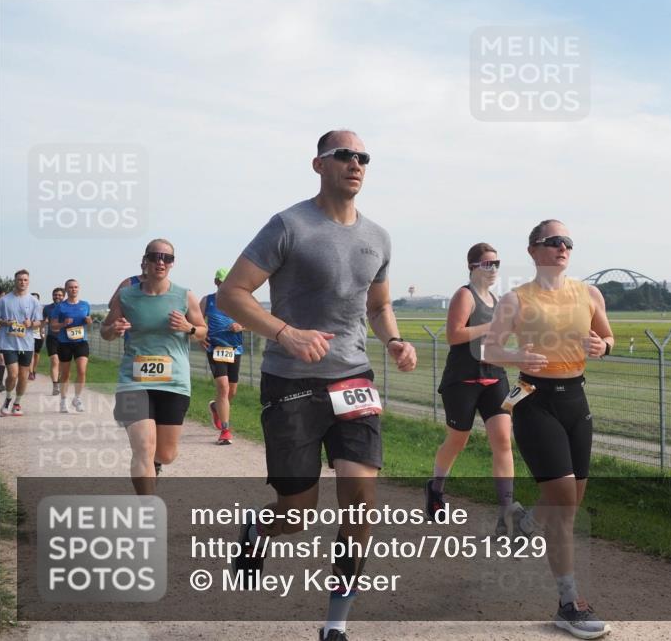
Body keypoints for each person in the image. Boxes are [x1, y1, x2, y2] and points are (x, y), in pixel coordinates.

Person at [218, 129, 417, 641]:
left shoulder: (378, 237)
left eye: (363, 157)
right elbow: (232, 294)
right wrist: (286, 332)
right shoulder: (289, 225)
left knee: (360, 498)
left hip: (353, 377)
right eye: (345, 155)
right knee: (298, 512)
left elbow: (378, 305)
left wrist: (393, 340)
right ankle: (260, 529)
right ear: (319, 164)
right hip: (291, 382)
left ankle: (335, 623)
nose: (356, 163)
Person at [484, 219, 614, 640]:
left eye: (568, 243)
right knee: (560, 498)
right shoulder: (515, 298)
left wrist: (603, 347)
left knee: (571, 504)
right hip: (534, 400)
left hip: (577, 400)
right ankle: (568, 604)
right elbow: (489, 348)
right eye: (553, 242)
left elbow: (607, 338)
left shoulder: (589, 294)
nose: (562, 248)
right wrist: (516, 353)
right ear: (533, 250)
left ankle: (523, 524)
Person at [426, 242, 535, 537]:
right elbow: (454, 335)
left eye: (497, 264)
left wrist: (517, 346)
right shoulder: (465, 295)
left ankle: (507, 510)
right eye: (488, 264)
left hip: (493, 377)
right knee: (457, 441)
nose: (494, 269)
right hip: (462, 379)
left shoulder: (497, 300)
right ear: (473, 267)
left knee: (502, 440)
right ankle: (436, 489)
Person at [101, 239, 207, 494]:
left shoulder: (184, 295)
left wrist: (188, 328)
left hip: (174, 382)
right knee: (143, 448)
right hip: (133, 381)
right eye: (155, 256)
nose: (161, 261)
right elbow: (105, 330)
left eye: (167, 258)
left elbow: (202, 332)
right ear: (146, 260)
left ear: (172, 263)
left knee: (165, 453)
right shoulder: (126, 295)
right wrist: (113, 330)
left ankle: (156, 464)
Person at [201, 267, 244, 445]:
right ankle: (225, 431)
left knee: (231, 391)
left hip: (235, 349)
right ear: (217, 282)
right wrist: (200, 336)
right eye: (222, 282)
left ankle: (215, 407)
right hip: (215, 349)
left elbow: (252, 321)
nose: (225, 285)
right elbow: (197, 320)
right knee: (223, 388)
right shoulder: (208, 300)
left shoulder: (239, 301)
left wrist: (240, 325)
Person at [0, 271, 43, 417]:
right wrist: (5, 322)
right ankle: (8, 399)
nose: (22, 282)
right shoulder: (3, 300)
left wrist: (31, 323)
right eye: (19, 280)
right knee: (13, 374)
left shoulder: (34, 302)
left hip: (26, 344)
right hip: (8, 343)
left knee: (23, 376)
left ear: (28, 282)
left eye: (25, 280)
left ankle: (17, 403)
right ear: (15, 281)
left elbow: (39, 322)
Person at [49, 279, 93, 413]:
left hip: (81, 341)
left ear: (78, 289)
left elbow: (89, 322)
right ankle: (63, 400)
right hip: (65, 342)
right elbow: (53, 325)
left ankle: (77, 398)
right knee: (66, 373)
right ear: (66, 289)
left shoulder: (85, 305)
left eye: (75, 287)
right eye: (70, 287)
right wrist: (63, 324)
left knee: (82, 370)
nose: (73, 289)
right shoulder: (60, 307)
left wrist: (89, 321)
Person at [43, 287, 65, 395]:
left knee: (61, 363)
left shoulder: (67, 307)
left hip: (65, 339)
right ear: (52, 296)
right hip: (52, 338)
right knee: (54, 360)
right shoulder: (47, 308)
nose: (57, 297)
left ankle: (59, 380)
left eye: (60, 295)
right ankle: (55, 385)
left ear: (63, 296)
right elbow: (42, 321)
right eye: (55, 294)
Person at [28, 293, 43, 381]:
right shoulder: (25, 309)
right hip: (29, 335)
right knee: (31, 353)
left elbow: (43, 321)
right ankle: (30, 372)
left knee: (37, 354)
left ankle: (34, 370)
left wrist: (41, 331)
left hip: (38, 335)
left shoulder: (41, 309)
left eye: (36, 299)